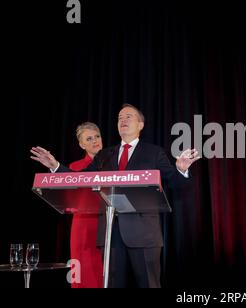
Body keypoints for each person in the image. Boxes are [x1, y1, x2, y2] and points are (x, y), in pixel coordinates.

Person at [31, 104, 200, 288]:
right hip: (110, 235)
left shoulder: (154, 152)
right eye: (120, 118)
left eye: (128, 116)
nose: (123, 120)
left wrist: (181, 170)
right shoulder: (104, 155)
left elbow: (175, 183)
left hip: (144, 234)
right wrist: (55, 166)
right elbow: (79, 180)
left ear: (141, 124)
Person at [69, 122, 104, 288]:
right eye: (89, 139)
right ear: (81, 144)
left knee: (105, 272)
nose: (95, 141)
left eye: (97, 136)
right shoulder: (75, 167)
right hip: (84, 226)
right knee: (83, 272)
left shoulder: (114, 165)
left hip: (107, 223)